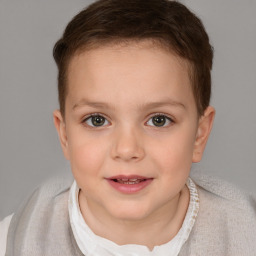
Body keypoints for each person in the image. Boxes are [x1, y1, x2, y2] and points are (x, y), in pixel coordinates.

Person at [0, 0, 255, 255]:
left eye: (159, 120)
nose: (127, 149)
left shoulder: (245, 235)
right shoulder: (16, 240)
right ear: (65, 135)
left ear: (199, 135)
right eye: (97, 120)